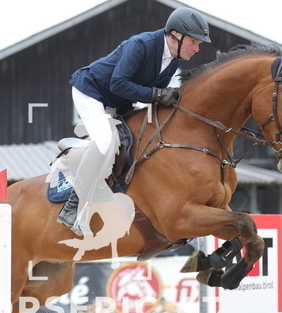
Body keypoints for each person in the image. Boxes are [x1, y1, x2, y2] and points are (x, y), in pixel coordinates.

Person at [58, 7, 211, 235]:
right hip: (92, 92)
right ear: (175, 35)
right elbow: (118, 83)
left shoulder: (173, 59)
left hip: (119, 101)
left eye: (198, 44)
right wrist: (157, 95)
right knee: (105, 141)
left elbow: (154, 94)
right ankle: (72, 207)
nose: (197, 49)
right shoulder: (141, 44)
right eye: (193, 42)